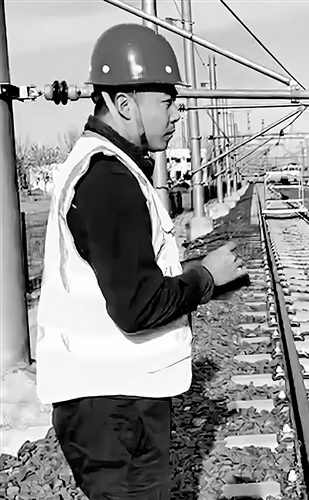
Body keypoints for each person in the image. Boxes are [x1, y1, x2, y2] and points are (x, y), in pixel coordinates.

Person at [35, 24, 247, 499]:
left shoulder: (112, 169)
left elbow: (128, 277)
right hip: (112, 405)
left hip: (115, 399)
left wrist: (201, 276)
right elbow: (137, 306)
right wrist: (205, 279)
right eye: (166, 101)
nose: (177, 113)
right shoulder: (108, 179)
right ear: (124, 103)